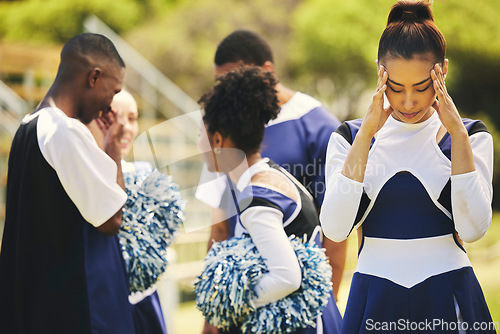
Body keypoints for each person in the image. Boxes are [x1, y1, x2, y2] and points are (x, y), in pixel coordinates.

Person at [320, 1, 495, 333]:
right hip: (374, 295)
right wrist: (366, 136)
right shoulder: (350, 137)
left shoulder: (470, 135)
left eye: (422, 86)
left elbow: (474, 230)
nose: (408, 101)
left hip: (450, 291)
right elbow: (335, 227)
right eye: (396, 88)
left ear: (441, 71)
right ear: (380, 73)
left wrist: (457, 134)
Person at [197, 29, 346, 302]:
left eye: (233, 80)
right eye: (220, 84)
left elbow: (334, 230)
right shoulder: (225, 131)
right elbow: (219, 226)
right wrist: (213, 305)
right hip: (250, 286)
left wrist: (326, 306)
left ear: (267, 70)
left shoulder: (319, 126)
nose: (227, 93)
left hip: (292, 300)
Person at [0, 33, 135, 333]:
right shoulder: (64, 131)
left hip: (36, 302)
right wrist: (112, 149)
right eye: (113, 91)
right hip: (70, 310)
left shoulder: (28, 127)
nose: (109, 105)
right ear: (94, 77)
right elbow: (111, 220)